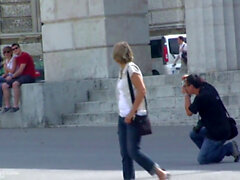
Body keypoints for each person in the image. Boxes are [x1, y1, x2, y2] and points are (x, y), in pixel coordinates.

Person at [113, 41, 170, 180]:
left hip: (133, 116)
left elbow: (142, 90)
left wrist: (131, 113)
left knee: (133, 151)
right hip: (123, 117)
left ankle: (159, 172)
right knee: (125, 154)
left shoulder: (132, 69)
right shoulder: (122, 70)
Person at [182, 74, 240, 164]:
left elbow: (189, 112)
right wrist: (189, 77)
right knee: (194, 134)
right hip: (221, 126)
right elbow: (201, 79)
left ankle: (228, 148)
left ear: (192, 86)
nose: (185, 87)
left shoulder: (201, 98)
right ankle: (210, 152)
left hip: (217, 133)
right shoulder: (208, 87)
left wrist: (186, 95)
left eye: (186, 86)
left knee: (202, 160)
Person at [2, 43, 36, 112]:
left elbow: (20, 70)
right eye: (13, 49)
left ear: (19, 48)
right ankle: (7, 106)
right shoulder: (16, 58)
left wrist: (11, 76)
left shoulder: (24, 55)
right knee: (4, 85)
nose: (15, 50)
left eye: (16, 48)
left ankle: (16, 106)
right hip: (21, 76)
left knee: (15, 84)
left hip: (29, 75)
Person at [0, 46, 17, 111]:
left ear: (11, 52)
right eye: (4, 52)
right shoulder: (6, 61)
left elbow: (12, 71)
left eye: (8, 52)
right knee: (1, 85)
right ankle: (2, 105)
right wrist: (5, 74)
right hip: (8, 77)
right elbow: (6, 73)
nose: (6, 53)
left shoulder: (14, 59)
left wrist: (6, 67)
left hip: (13, 77)